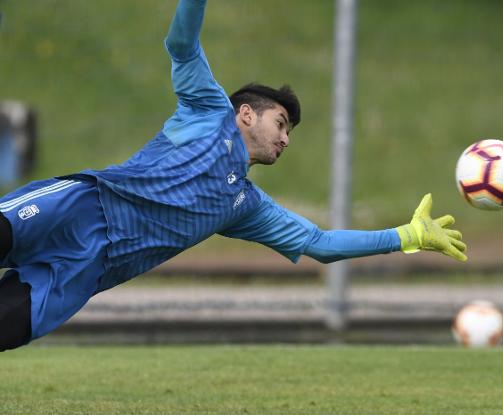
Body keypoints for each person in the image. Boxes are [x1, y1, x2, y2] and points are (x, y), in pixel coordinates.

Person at [0, 0, 466, 351]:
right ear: (245, 113)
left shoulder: (244, 206)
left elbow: (320, 244)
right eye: (281, 123)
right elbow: (181, 46)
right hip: (77, 208)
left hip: (84, 271)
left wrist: (404, 235)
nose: (285, 139)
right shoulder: (207, 110)